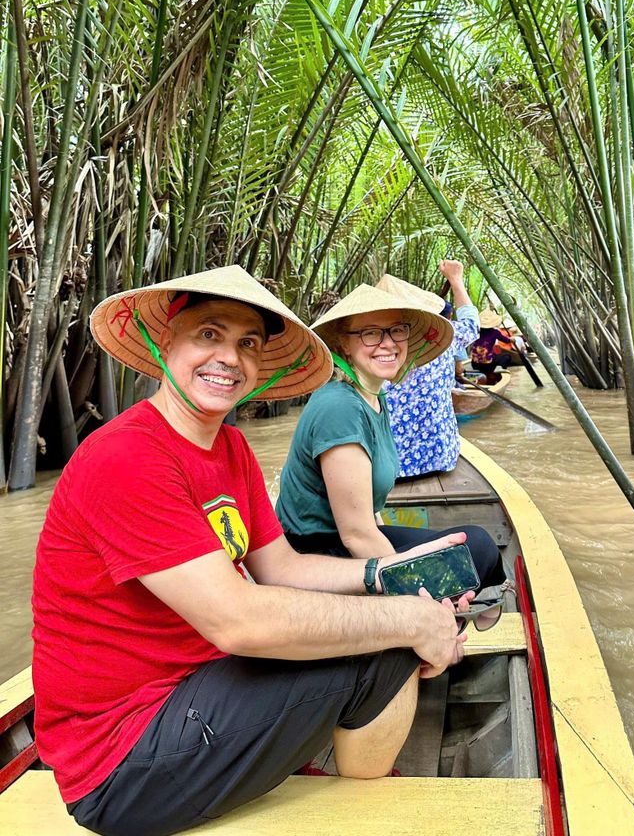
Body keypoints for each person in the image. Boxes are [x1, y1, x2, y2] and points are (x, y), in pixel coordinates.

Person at [32, 266, 474, 836]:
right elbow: (238, 621)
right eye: (208, 335)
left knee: (393, 612)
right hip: (119, 761)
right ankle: (366, 811)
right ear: (167, 341)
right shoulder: (125, 458)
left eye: (247, 344)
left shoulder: (230, 446)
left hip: (197, 687)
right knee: (388, 644)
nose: (228, 357)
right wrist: (408, 620)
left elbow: (281, 568)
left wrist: (388, 573)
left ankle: (337, 774)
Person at [276, 282, 506, 590]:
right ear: (344, 344)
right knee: (476, 548)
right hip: (316, 553)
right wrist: (408, 590)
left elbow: (370, 513)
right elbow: (356, 535)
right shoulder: (340, 407)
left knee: (472, 543)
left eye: (396, 330)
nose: (387, 343)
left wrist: (398, 554)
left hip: (346, 541)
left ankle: (468, 603)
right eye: (370, 333)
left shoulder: (375, 397)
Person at [377, 262, 480, 477]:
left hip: (388, 468)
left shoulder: (365, 344)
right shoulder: (442, 336)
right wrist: (456, 280)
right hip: (440, 457)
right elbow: (471, 325)